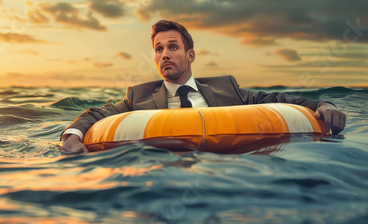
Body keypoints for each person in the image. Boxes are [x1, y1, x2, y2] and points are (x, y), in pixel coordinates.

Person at [61, 20, 347, 154]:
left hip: (226, 166)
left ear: (190, 55)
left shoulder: (226, 88)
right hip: (164, 167)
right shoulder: (140, 96)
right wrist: (72, 136)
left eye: (172, 47)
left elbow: (273, 98)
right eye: (158, 49)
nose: (164, 54)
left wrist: (323, 105)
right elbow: (99, 113)